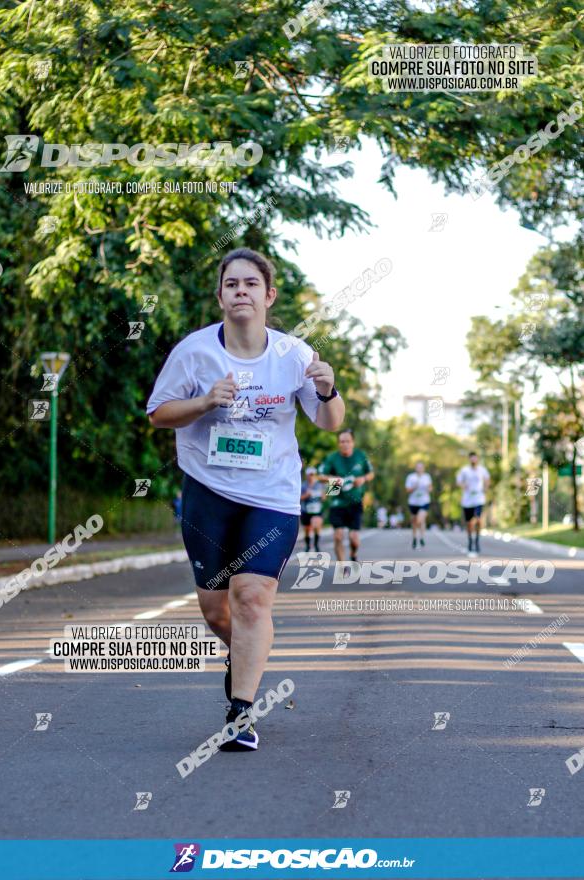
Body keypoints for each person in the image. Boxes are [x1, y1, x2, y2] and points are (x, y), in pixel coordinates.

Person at [146, 247, 345, 751]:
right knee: (217, 613)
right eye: (231, 284)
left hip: (272, 497)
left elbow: (329, 422)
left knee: (252, 599)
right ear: (220, 297)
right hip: (207, 494)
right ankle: (246, 658)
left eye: (251, 284)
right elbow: (159, 413)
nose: (241, 291)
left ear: (268, 295)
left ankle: (241, 712)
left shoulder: (293, 355)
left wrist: (328, 391)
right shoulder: (194, 352)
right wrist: (206, 401)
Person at [318, 429, 374, 562]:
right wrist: (333, 479)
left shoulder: (361, 456)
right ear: (338, 444)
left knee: (354, 538)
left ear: (353, 442)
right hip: (337, 501)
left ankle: (354, 554)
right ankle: (342, 567)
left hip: (355, 501)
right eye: (342, 441)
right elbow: (320, 476)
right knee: (338, 536)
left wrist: (363, 479)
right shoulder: (332, 458)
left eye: (347, 441)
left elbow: (371, 473)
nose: (345, 444)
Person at [456, 451, 490, 555]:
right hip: (467, 501)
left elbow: (487, 479)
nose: (473, 460)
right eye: (472, 458)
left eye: (475, 458)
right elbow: (458, 482)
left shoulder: (482, 470)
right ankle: (470, 541)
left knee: (478, 520)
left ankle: (477, 541)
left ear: (477, 459)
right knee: (469, 524)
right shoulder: (464, 470)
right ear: (469, 459)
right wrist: (463, 486)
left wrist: (485, 488)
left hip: (478, 499)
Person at [405, 461, 433, 549]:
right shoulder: (411, 477)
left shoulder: (427, 477)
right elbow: (407, 490)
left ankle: (422, 537)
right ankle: (414, 538)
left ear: (423, 468)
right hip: (413, 502)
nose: (420, 468)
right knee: (414, 522)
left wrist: (428, 488)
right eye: (418, 467)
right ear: (415, 468)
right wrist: (414, 487)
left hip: (424, 501)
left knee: (420, 520)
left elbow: (431, 488)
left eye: (421, 467)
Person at [300, 467, 324, 551]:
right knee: (307, 529)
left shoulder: (320, 485)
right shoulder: (303, 485)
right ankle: (308, 545)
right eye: (309, 475)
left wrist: (321, 496)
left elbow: (324, 498)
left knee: (317, 526)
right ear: (307, 475)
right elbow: (299, 498)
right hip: (306, 510)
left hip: (317, 510)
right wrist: (306, 495)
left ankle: (316, 545)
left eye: (312, 474)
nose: (311, 476)